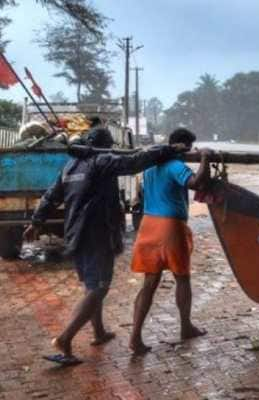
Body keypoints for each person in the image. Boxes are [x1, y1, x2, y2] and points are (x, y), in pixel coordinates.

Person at [24, 128, 185, 366]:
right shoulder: (102, 161)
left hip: (75, 234)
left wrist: (36, 222)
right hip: (97, 233)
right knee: (99, 288)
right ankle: (65, 339)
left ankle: (99, 332)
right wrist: (168, 149)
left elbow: (50, 197)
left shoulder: (70, 167)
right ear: (105, 146)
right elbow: (134, 162)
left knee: (91, 285)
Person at [129, 128, 211, 354]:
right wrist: (205, 157)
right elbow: (196, 182)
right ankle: (186, 326)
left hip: (148, 225)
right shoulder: (176, 166)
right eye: (190, 147)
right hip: (170, 227)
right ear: (182, 146)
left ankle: (135, 336)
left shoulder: (150, 166)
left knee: (149, 284)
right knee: (182, 279)